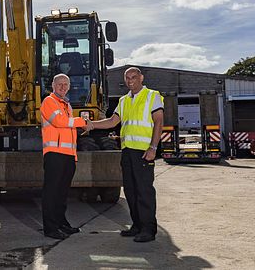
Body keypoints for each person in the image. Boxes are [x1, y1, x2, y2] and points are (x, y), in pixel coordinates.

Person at [88, 67, 163, 242]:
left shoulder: (153, 96)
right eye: (127, 78)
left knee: (144, 191)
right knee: (130, 190)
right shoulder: (123, 100)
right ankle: (137, 225)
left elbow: (159, 122)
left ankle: (148, 229)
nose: (131, 81)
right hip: (127, 151)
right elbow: (113, 121)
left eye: (134, 77)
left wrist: (153, 148)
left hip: (144, 151)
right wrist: (91, 124)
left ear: (141, 78)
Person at [40, 73, 88, 239]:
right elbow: (60, 123)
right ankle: (50, 228)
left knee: (62, 193)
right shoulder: (49, 101)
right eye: (59, 84)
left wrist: (74, 156)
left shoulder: (66, 106)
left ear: (69, 86)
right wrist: (83, 122)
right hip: (54, 155)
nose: (62, 87)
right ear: (53, 85)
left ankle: (61, 223)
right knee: (52, 192)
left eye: (65, 84)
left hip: (68, 155)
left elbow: (69, 131)